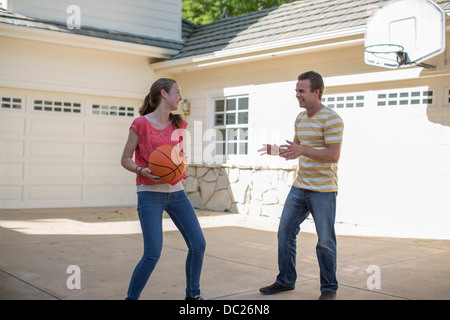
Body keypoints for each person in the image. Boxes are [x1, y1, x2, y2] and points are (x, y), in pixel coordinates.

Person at [258, 71, 344, 300]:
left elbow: (333, 155)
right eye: (296, 90)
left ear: (316, 92)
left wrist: (303, 150)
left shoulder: (332, 119)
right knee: (285, 232)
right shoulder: (300, 119)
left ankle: (329, 289)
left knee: (325, 241)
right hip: (301, 187)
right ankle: (285, 280)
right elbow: (295, 149)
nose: (297, 95)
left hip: (324, 190)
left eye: (301, 91)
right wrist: (276, 150)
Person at [121, 78, 206, 300]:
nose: (180, 96)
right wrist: (142, 170)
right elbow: (125, 159)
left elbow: (180, 157)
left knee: (198, 244)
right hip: (149, 194)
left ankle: (193, 295)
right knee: (152, 254)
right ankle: (131, 298)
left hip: (176, 192)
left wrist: (180, 162)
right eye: (177, 92)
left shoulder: (179, 125)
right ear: (163, 94)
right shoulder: (140, 124)